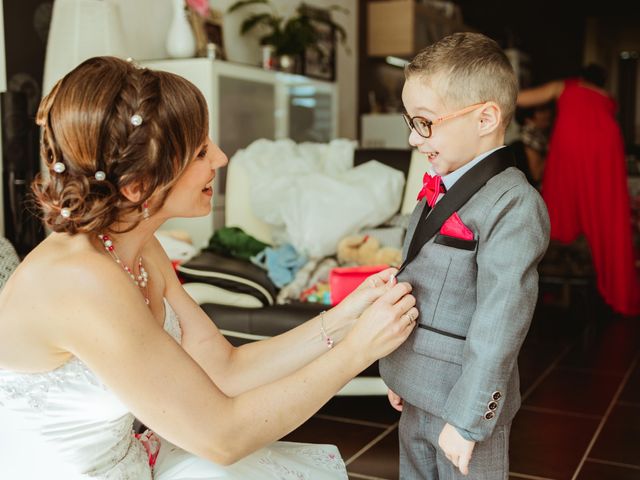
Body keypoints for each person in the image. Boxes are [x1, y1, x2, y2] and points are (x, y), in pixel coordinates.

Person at [0, 56, 419, 479]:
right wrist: (356, 353)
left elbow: (225, 368)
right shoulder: (81, 281)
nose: (220, 158)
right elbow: (222, 437)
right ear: (138, 185)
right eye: (201, 151)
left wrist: (346, 319)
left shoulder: (139, 247)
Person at [378, 32, 550, 479]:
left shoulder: (514, 203)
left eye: (425, 122)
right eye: (411, 122)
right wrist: (397, 363)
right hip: (416, 382)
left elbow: (501, 321)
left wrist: (470, 419)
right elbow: (416, 275)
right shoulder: (439, 183)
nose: (416, 139)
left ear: (486, 118)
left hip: (462, 400)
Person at [517, 63, 640, 316]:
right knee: (607, 210)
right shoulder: (606, 98)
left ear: (580, 76)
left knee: (563, 204)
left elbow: (520, 98)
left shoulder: (566, 86)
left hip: (574, 142)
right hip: (606, 143)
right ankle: (615, 286)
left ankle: (555, 277)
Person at [511, 102, 554, 188]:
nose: (548, 113)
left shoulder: (545, 140)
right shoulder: (525, 141)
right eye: (542, 111)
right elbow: (537, 174)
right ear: (529, 118)